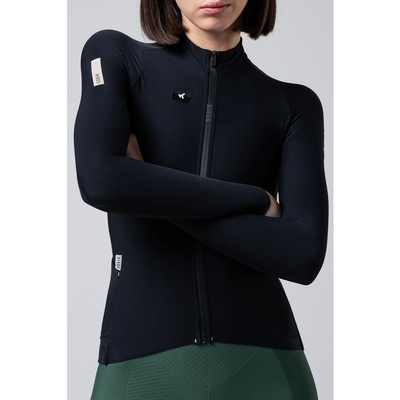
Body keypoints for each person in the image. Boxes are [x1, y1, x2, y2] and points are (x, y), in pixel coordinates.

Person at [74, 0, 329, 398]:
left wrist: (144, 189)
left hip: (267, 369)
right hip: (138, 368)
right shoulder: (116, 57)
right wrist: (253, 200)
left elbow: (302, 254)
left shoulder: (293, 104)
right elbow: (101, 181)